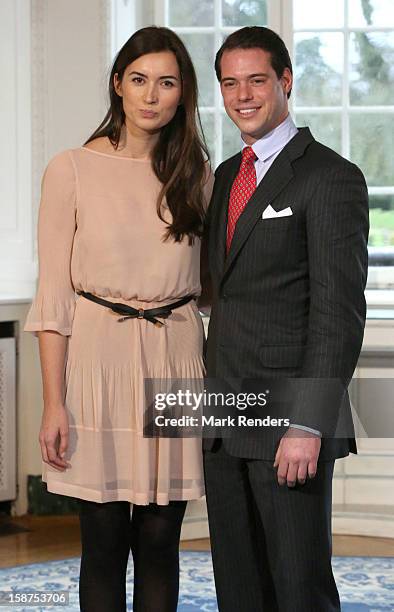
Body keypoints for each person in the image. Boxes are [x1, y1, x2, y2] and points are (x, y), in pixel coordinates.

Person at [24, 26, 213, 612]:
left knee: (160, 540)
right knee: (103, 543)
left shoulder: (196, 173)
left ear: (183, 94)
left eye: (166, 82)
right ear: (117, 85)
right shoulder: (72, 170)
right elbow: (53, 297)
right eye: (139, 80)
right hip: (99, 361)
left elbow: (214, 291)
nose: (151, 95)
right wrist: (54, 402)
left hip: (176, 362)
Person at [203, 26, 369, 611]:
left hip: (288, 423)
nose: (242, 95)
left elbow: (338, 313)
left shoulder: (331, 176)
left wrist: (307, 424)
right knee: (239, 590)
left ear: (286, 81)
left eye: (256, 80)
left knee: (299, 590)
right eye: (230, 83)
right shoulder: (226, 176)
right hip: (224, 418)